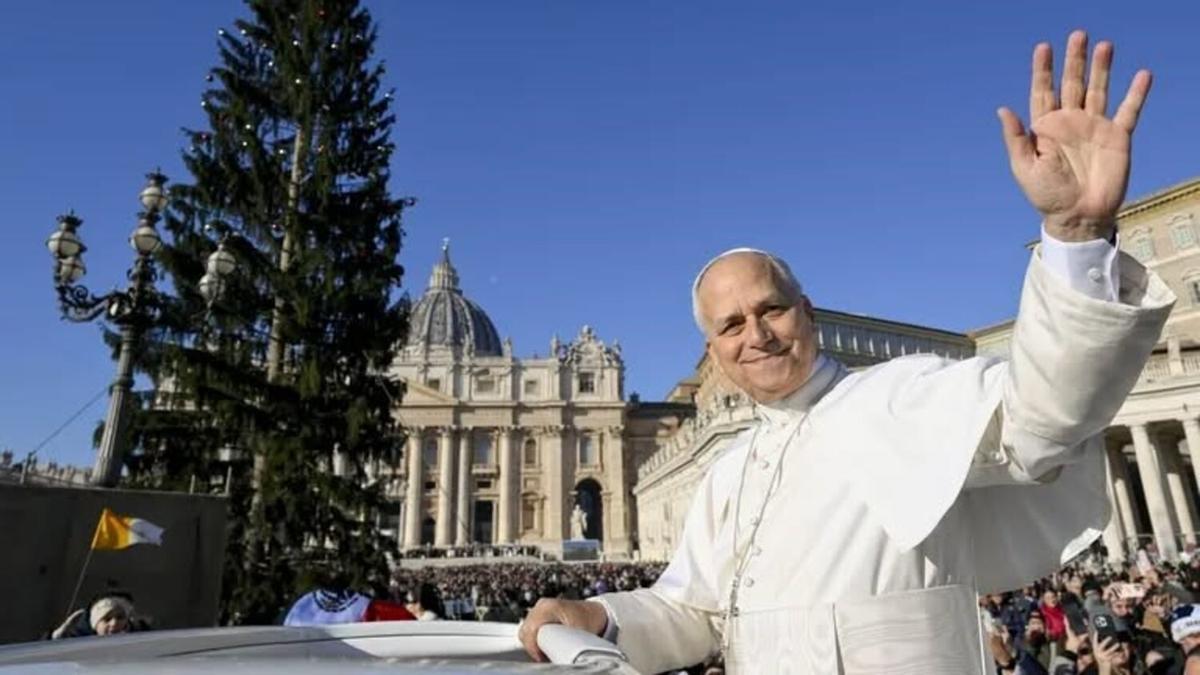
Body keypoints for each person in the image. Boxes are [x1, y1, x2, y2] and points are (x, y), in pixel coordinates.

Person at [518, 30, 1172, 674]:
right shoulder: (729, 473)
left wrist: (1076, 234)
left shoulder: (904, 393)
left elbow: (1043, 417)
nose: (757, 333)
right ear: (714, 352)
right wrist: (601, 616)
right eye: (732, 324)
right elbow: (694, 612)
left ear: (807, 313)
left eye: (771, 308)